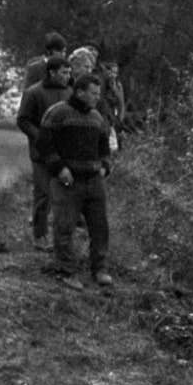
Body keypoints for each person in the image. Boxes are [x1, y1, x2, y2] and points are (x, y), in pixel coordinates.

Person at [38, 73, 114, 289]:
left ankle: (99, 269)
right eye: (93, 93)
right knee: (64, 226)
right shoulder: (57, 113)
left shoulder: (97, 118)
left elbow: (105, 149)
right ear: (80, 92)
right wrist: (59, 168)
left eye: (99, 94)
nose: (97, 98)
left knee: (100, 227)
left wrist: (105, 167)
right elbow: (44, 145)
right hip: (67, 181)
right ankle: (65, 271)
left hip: (93, 181)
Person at [15, 55, 73, 250]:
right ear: (52, 72)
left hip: (64, 153)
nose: (67, 76)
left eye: (69, 72)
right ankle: (40, 236)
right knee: (43, 195)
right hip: (40, 154)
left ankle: (62, 238)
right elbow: (23, 120)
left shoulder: (70, 93)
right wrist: (40, 137)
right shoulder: (34, 92)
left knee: (65, 196)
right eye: (64, 72)